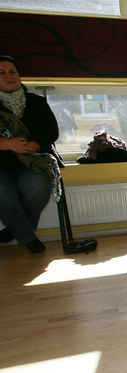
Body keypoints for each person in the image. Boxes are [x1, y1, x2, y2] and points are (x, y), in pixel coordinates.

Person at [0, 55, 59, 254]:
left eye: (12, 71)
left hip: (33, 160)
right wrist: (7, 144)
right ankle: (27, 236)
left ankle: (16, 228)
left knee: (37, 188)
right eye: (1, 73)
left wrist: (36, 144)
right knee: (3, 194)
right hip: (2, 163)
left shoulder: (36, 102)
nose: (8, 76)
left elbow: (51, 131)